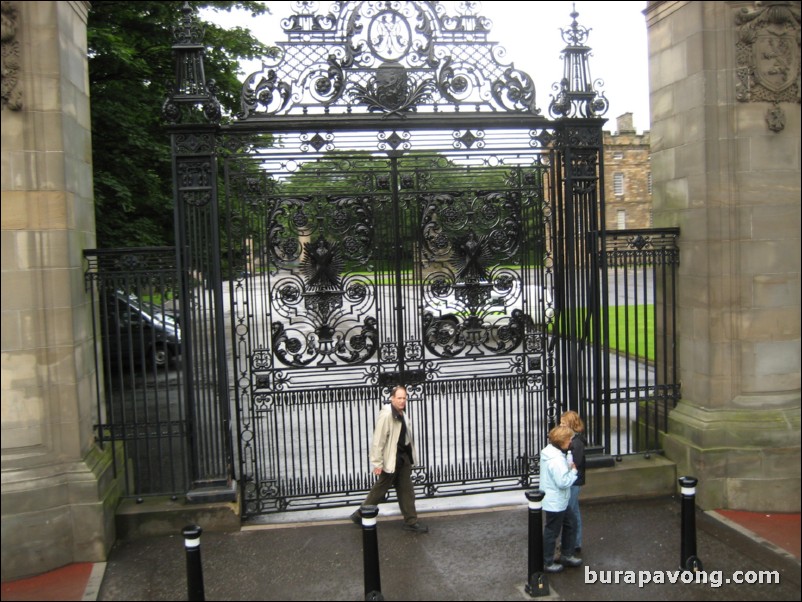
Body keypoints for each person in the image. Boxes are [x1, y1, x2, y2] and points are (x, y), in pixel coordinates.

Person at [350, 385, 429, 533]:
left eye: (404, 398)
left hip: (403, 458)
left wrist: (410, 456)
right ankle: (360, 514)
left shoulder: (402, 413)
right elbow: (378, 440)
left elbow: (406, 437)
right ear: (392, 398)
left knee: (407, 491)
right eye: (399, 398)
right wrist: (377, 463)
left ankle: (411, 521)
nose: (402, 401)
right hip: (391, 459)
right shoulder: (387, 415)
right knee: (380, 490)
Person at [539, 425, 580, 573]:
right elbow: (563, 482)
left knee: (570, 523)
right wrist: (573, 471)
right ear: (563, 441)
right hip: (556, 501)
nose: (571, 442)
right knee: (552, 531)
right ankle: (548, 562)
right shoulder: (556, 459)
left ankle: (566, 555)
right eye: (569, 439)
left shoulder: (550, 453)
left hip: (556, 500)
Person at [560, 410, 587, 555]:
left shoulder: (576, 443)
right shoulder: (574, 440)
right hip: (574, 479)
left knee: (570, 512)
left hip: (574, 481)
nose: (560, 425)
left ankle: (571, 543)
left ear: (571, 424)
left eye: (563, 423)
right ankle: (576, 542)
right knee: (574, 511)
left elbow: (574, 463)